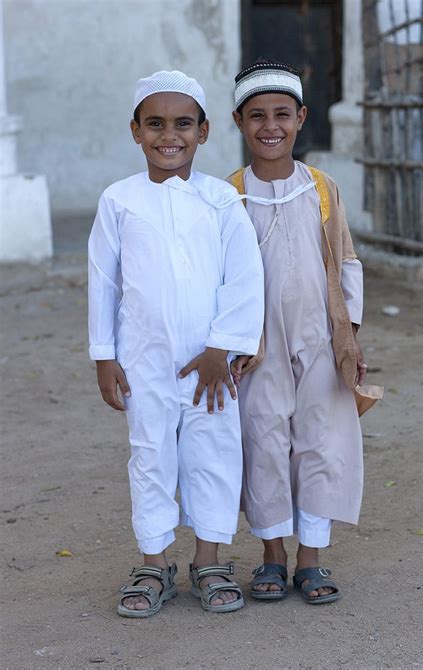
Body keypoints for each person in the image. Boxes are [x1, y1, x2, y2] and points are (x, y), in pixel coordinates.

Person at [88, 70, 264, 617]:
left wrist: (222, 348)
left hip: (210, 364)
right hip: (143, 360)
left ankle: (208, 560)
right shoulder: (119, 201)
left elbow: (244, 277)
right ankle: (154, 562)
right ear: (135, 131)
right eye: (156, 124)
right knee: (150, 455)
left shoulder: (221, 201)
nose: (171, 136)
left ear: (205, 131)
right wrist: (103, 355)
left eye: (183, 124)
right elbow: (103, 280)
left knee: (212, 453)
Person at [228, 60, 381, 605]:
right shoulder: (228, 195)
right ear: (239, 122)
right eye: (257, 116)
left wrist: (352, 335)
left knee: (321, 440)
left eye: (282, 115)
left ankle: (310, 559)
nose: (271, 126)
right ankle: (271, 555)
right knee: (264, 438)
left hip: (321, 339)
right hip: (257, 345)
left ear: (301, 119)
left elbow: (346, 261)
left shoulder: (321, 187)